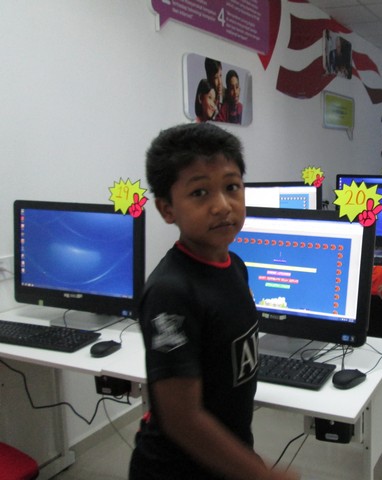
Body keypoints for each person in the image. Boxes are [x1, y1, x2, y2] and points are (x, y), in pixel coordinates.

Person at [129, 123, 298, 480]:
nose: (222, 206)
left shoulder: (235, 266)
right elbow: (182, 419)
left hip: (224, 461)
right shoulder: (170, 293)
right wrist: (262, 475)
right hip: (176, 471)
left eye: (232, 187)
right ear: (167, 209)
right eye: (200, 192)